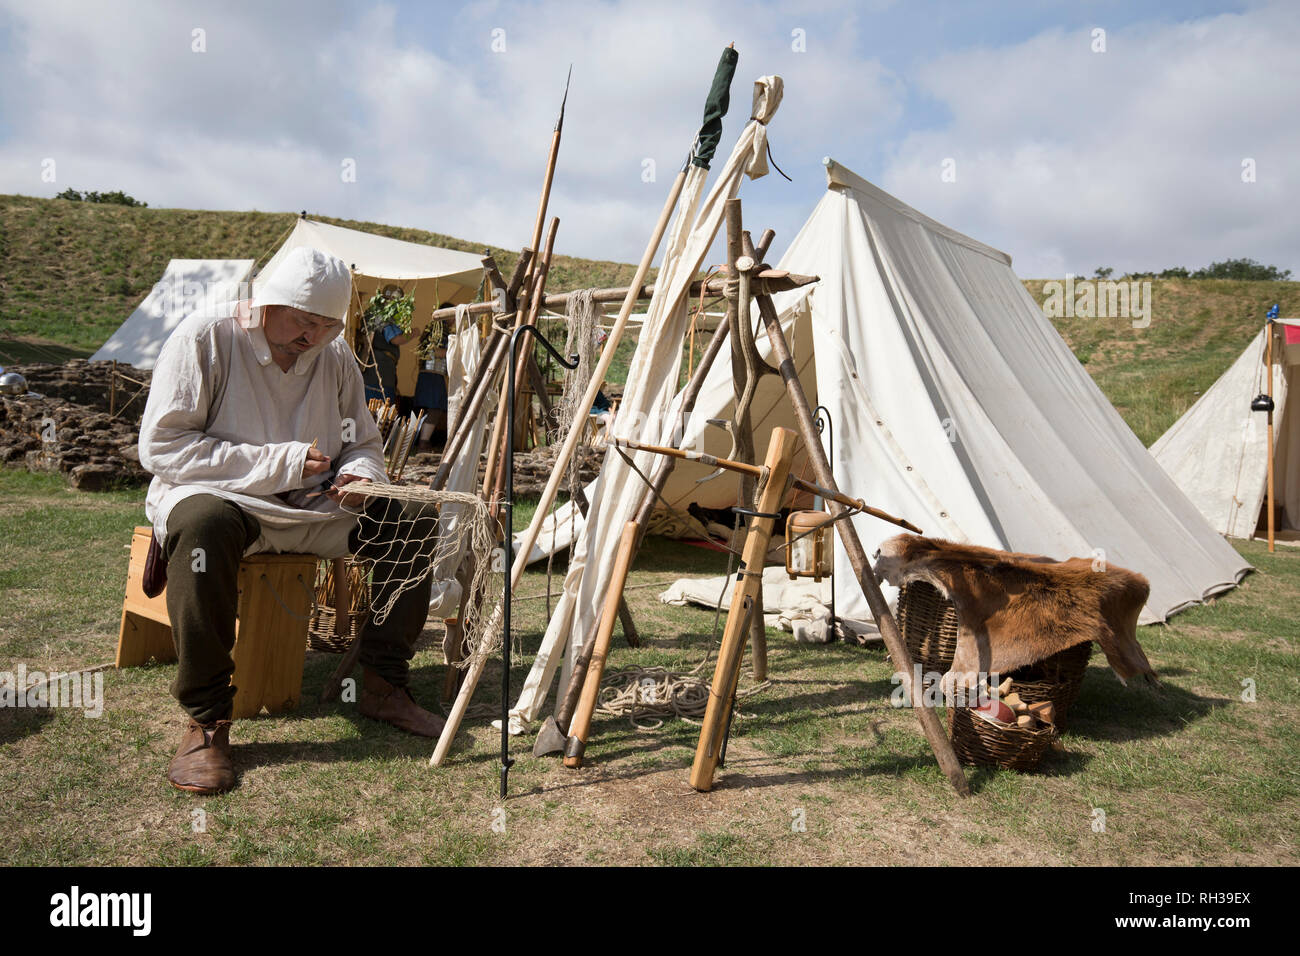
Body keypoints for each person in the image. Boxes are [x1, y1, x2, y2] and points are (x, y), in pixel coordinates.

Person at [138, 246, 446, 796]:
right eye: (304, 322)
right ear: (265, 303)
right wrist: (278, 461)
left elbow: (362, 443)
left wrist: (358, 477)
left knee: (414, 519)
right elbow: (164, 447)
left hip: (310, 503)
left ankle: (379, 682)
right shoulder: (204, 339)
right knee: (203, 524)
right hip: (223, 497)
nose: (314, 337)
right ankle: (207, 721)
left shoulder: (334, 357)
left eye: (328, 325)